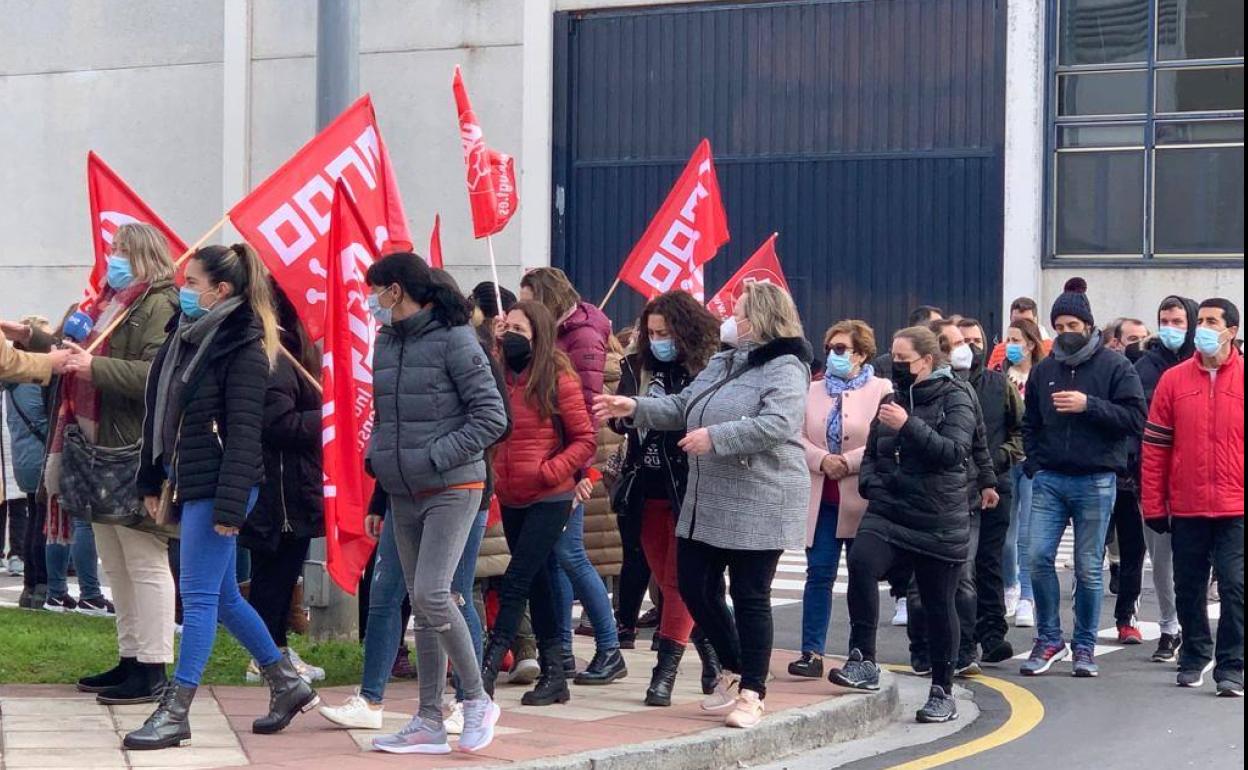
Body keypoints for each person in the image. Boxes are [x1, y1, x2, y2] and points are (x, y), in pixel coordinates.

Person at [595, 282, 812, 730]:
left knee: (750, 595)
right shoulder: (724, 360)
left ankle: (752, 692)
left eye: (741, 312)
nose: (732, 318)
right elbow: (683, 405)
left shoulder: (786, 366)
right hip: (707, 497)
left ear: (764, 318)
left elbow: (777, 423)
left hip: (759, 497)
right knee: (693, 585)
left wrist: (716, 438)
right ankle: (734, 669)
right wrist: (633, 406)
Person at [125, 243, 315, 750]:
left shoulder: (244, 345)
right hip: (192, 479)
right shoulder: (186, 336)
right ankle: (285, 681)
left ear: (221, 290)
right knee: (225, 595)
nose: (183, 290)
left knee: (200, 595)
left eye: (192, 283)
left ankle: (177, 709)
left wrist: (231, 507)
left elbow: (246, 433)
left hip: (222, 486)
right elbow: (158, 412)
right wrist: (150, 477)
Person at [358, 254, 508, 755]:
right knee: (421, 606)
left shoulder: (456, 339)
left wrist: (437, 456)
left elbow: (492, 417)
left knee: (433, 595)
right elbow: (387, 418)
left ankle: (476, 700)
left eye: (375, 291)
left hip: (453, 486)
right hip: (404, 490)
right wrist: (380, 469)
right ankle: (426, 718)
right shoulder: (386, 341)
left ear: (395, 290)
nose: (371, 302)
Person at [34, 225, 178, 705]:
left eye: (120, 251)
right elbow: (73, 346)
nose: (112, 258)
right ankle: (131, 656)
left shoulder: (159, 304)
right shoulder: (111, 302)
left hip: (130, 449)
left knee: (143, 560)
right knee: (114, 562)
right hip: (96, 449)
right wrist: (37, 338)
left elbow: (157, 375)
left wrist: (91, 368)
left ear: (142, 255)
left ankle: (154, 665)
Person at [829, 325, 976, 724]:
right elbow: (874, 450)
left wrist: (908, 424)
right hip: (890, 510)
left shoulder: (956, 397)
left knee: (936, 603)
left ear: (926, 361)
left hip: (937, 518)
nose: (892, 366)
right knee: (861, 562)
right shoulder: (891, 398)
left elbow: (953, 452)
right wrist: (874, 484)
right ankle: (863, 658)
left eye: (901, 359)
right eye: (891, 357)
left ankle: (942, 689)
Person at [1019, 278, 1146, 679]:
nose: (1066, 333)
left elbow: (1134, 419)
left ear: (1089, 326)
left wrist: (1089, 405)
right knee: (1038, 558)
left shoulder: (1115, 366)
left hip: (1096, 478)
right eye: (1059, 327)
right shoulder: (1045, 370)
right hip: (1051, 477)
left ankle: (1086, 644)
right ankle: (1049, 637)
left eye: (1073, 326)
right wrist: (1036, 464)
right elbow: (1031, 423)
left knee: (1089, 567)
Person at [479, 299, 598, 707]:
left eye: (520, 330)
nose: (511, 335)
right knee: (542, 579)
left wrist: (551, 471)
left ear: (539, 335)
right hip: (512, 493)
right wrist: (495, 346)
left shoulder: (556, 376)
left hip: (550, 492)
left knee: (516, 579)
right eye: (506, 326)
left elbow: (585, 439)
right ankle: (554, 675)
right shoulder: (500, 374)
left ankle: (487, 672)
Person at [609, 290, 722, 706]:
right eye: (651, 331)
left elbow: (692, 414)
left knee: (679, 582)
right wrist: (623, 415)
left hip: (688, 485)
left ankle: (665, 673)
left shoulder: (706, 370)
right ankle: (713, 660)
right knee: (673, 580)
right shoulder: (635, 365)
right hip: (645, 486)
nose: (657, 339)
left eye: (664, 332)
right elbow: (624, 425)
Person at [519, 267, 625, 685]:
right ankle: (561, 651)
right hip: (555, 461)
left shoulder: (579, 337)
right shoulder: (563, 333)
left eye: (528, 301)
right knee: (557, 559)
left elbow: (581, 409)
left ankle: (609, 647)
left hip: (568, 463)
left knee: (570, 555)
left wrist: (580, 470)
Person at [1142, 298, 1243, 697]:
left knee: (1235, 586)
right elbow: (1155, 446)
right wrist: (1154, 503)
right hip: (1187, 505)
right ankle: (1194, 655)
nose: (1201, 327)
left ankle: (1232, 665)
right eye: (1199, 320)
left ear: (1231, 331)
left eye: (1210, 321)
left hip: (1236, 506)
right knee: (1188, 585)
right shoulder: (1174, 380)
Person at [788, 319, 892, 679]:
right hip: (821, 496)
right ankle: (811, 652)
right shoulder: (812, 390)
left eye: (841, 349)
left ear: (861, 354)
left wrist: (847, 462)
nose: (833, 355)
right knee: (818, 573)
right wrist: (821, 460)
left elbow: (884, 439)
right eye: (830, 348)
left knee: (862, 577)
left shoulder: (881, 389)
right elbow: (796, 436)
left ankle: (860, 653)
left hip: (861, 498)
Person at [239, 287, 325, 684]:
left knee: (280, 576)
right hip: (281, 493)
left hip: (290, 486)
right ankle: (267, 655)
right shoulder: (276, 359)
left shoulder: (286, 358)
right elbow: (278, 425)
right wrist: (327, 419)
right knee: (274, 577)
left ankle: (276, 651)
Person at [905, 320, 996, 678]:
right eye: (956, 342)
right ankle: (922, 649)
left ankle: (963, 650)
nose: (965, 349)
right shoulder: (909, 393)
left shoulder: (963, 389)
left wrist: (988, 481)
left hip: (963, 496)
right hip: (920, 497)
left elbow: (978, 442)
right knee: (918, 582)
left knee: (963, 577)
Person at [1133, 295, 1199, 663]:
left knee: (1194, 559)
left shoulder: (1203, 365)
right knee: (1161, 560)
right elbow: (1137, 419)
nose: (1170, 328)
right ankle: (1169, 625)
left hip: (1195, 479)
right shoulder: (1146, 367)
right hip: (1154, 477)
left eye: (1177, 321)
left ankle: (1191, 625)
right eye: (1164, 320)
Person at [955, 318, 1023, 664]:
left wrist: (999, 458)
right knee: (961, 565)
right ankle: (963, 636)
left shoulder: (1001, 385)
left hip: (996, 483)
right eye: (961, 341)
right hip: (953, 487)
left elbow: (1022, 430)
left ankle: (993, 633)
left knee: (990, 561)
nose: (969, 347)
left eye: (975, 340)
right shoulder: (944, 384)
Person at [1000, 317, 1045, 629]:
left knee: (1028, 532)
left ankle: (1028, 596)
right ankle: (1010, 585)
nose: (1011, 346)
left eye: (1016, 340)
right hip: (1006, 461)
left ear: (1030, 344)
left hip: (1033, 463)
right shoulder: (1000, 377)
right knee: (1006, 533)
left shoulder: (1042, 376)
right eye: (1008, 340)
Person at [987, 297, 1052, 370]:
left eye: (1027, 322)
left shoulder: (1050, 349)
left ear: (1036, 320)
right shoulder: (999, 350)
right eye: (1016, 322)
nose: (1021, 326)